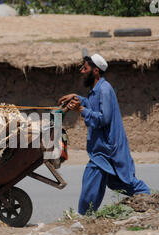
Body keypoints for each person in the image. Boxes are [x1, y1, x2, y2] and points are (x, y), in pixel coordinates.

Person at [58, 54, 150, 215]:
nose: (81, 71)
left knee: (93, 179)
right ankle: (150, 200)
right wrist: (77, 97)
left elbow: (104, 118)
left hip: (107, 148)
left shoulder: (105, 90)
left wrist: (81, 109)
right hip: (102, 148)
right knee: (118, 182)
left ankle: (84, 216)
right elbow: (92, 106)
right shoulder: (96, 90)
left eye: (85, 68)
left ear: (95, 71)